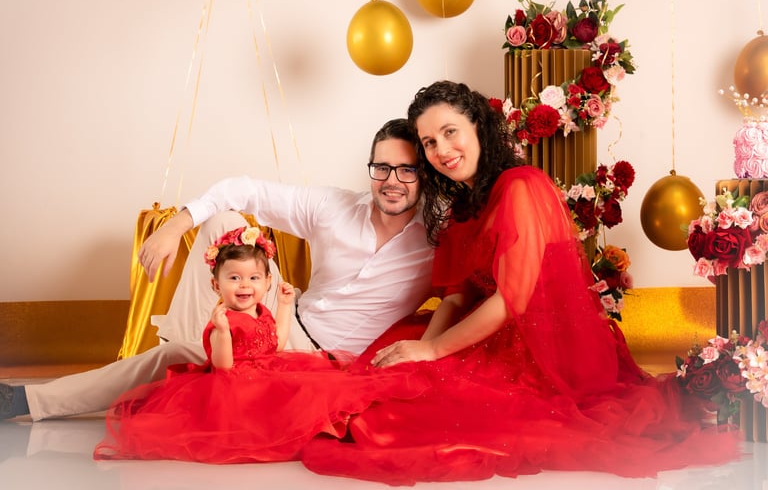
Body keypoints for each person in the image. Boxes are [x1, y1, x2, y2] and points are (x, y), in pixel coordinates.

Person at [299, 80, 743, 485]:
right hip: (487, 329)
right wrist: (421, 357)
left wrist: (434, 350)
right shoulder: (461, 210)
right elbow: (454, 300)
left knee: (400, 421)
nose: (441, 150)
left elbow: (511, 300)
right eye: (430, 142)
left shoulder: (520, 187)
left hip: (544, 347)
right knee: (392, 376)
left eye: (450, 132)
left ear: (477, 127)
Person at [0, 118, 433, 421]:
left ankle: (173, 366)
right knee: (223, 219)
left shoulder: (436, 239)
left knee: (170, 358)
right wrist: (176, 224)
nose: (392, 180)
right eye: (382, 167)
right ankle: (184, 355)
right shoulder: (334, 206)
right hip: (284, 310)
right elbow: (238, 189)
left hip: (320, 359)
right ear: (371, 169)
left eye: (406, 169)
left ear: (424, 174)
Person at [94, 227, 420, 463]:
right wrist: (220, 331)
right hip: (237, 384)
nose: (244, 285)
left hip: (270, 369)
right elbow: (222, 366)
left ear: (267, 282)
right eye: (234, 278)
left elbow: (275, 342)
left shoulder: (261, 310)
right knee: (278, 410)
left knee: (321, 385)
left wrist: (283, 306)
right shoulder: (224, 320)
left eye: (253, 278)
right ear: (216, 284)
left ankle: (346, 427)